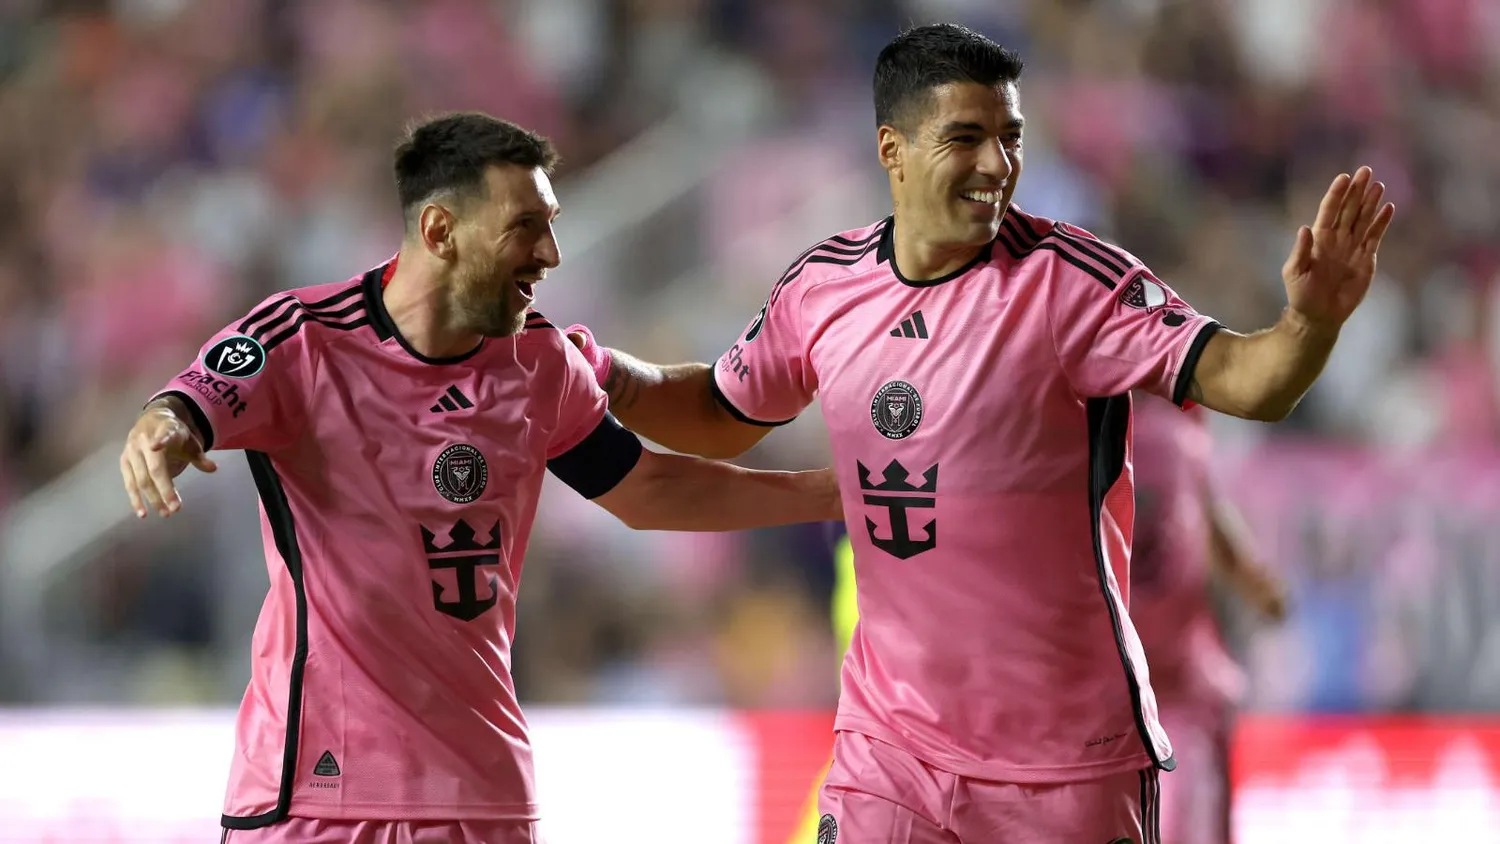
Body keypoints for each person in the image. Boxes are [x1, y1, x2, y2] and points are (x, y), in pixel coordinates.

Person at [564, 22, 1394, 843]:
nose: (998, 165)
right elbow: (719, 413)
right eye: (967, 138)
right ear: (892, 150)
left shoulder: (1074, 282)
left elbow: (1254, 382)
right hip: (892, 752)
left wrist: (1309, 324)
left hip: (1068, 766)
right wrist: (606, 375)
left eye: (1011, 136)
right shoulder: (823, 288)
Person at [117, 112, 842, 844]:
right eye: (526, 226)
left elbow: (651, 489)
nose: (551, 254)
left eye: (550, 223)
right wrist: (164, 427)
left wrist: (835, 491)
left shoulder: (540, 364)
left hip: (481, 799)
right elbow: (190, 403)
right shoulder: (304, 340)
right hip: (316, 798)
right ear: (439, 232)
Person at [1129, 393, 1287, 844]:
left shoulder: (1174, 429)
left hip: (1170, 682)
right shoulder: (1166, 432)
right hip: (1140, 683)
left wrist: (1248, 570)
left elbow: (1206, 503)